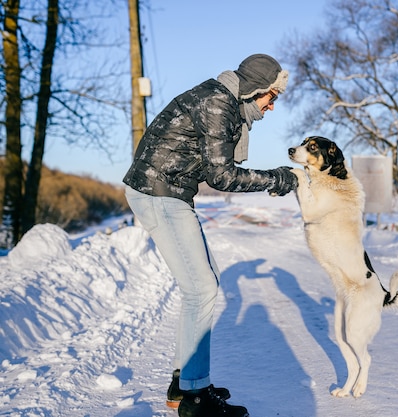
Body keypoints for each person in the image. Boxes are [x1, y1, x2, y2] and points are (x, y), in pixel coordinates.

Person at [123, 54, 297, 417]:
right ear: (256, 90)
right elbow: (222, 176)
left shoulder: (226, 102)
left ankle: (184, 382)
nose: (272, 106)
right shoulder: (219, 103)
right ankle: (194, 397)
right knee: (200, 289)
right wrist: (278, 178)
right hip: (158, 192)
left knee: (205, 283)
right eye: (272, 97)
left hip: (169, 191)